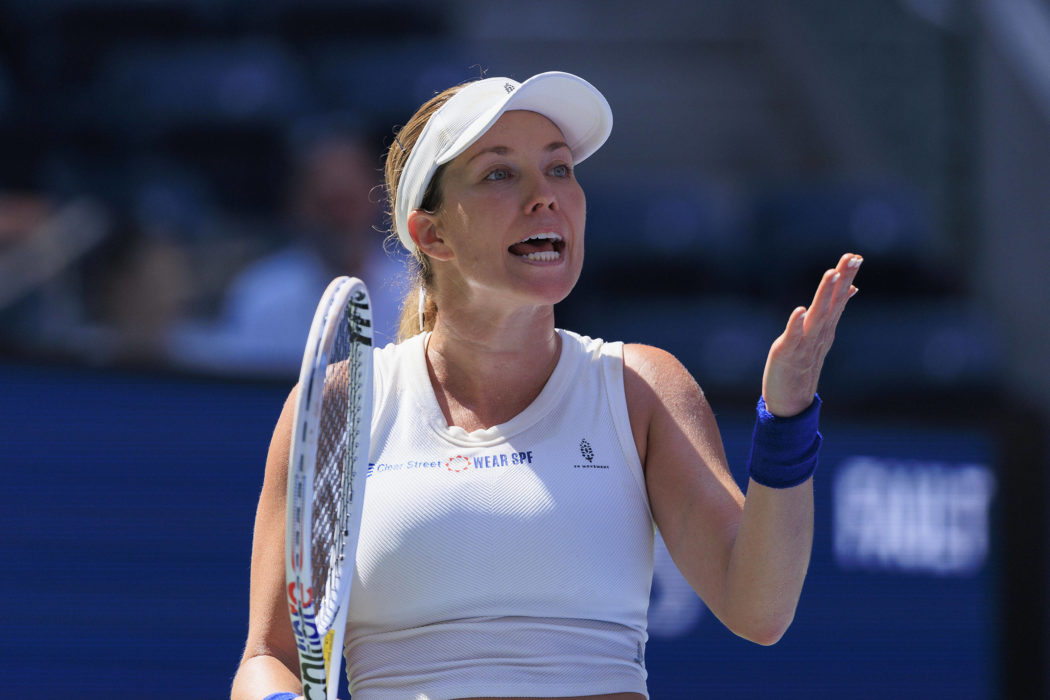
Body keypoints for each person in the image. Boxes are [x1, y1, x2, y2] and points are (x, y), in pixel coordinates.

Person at [230, 71, 862, 700]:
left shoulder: (640, 385)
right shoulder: (342, 405)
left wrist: (787, 419)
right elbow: (269, 656)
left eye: (559, 169)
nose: (545, 196)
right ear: (432, 233)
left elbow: (760, 609)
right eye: (500, 174)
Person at [169, 119, 402, 375]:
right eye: (327, 205)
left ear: (379, 198)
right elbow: (239, 400)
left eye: (348, 203)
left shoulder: (414, 290)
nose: (340, 222)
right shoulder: (263, 294)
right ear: (298, 203)